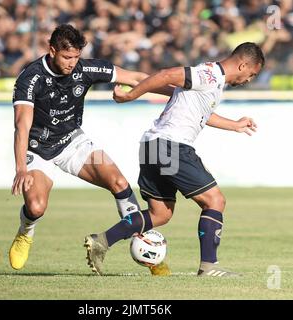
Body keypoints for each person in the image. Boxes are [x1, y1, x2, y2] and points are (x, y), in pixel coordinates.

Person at [84, 42, 264, 277]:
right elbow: (165, 75)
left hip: (151, 145)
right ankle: (209, 267)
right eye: (251, 74)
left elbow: (200, 111)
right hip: (171, 146)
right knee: (215, 201)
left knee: (160, 214)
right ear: (242, 65)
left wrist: (234, 125)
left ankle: (102, 241)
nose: (249, 80)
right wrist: (130, 96)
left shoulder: (213, 82)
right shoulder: (209, 74)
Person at [9, 24, 172, 272]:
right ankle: (25, 231)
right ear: (51, 50)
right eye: (66, 57)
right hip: (38, 150)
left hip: (74, 143)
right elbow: (22, 125)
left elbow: (137, 78)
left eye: (76, 57)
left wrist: (179, 94)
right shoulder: (30, 78)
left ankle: (147, 246)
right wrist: (21, 168)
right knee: (36, 207)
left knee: (118, 182)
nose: (72, 63)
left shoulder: (85, 68)